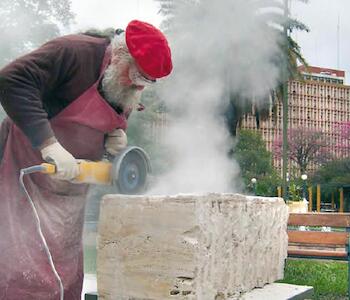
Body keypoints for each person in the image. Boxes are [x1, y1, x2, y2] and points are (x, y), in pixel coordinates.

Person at [0, 20, 172, 300]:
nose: (137, 88)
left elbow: (110, 111)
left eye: (145, 83)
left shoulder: (124, 83)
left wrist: (114, 136)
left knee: (64, 272)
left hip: (70, 190)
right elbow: (12, 80)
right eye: (136, 77)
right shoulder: (74, 52)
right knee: (24, 269)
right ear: (119, 55)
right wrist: (49, 145)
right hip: (26, 176)